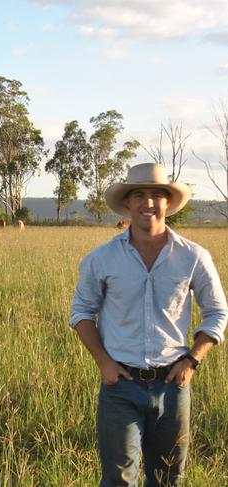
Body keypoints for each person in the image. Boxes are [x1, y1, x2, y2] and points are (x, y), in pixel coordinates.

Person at [70, 163, 228, 486]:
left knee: (168, 477)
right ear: (127, 203)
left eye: (156, 195)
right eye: (139, 195)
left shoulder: (194, 256)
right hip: (120, 386)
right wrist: (104, 362)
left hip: (173, 385)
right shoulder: (101, 259)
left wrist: (192, 360)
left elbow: (217, 312)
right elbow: (81, 312)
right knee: (118, 479)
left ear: (168, 202)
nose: (148, 203)